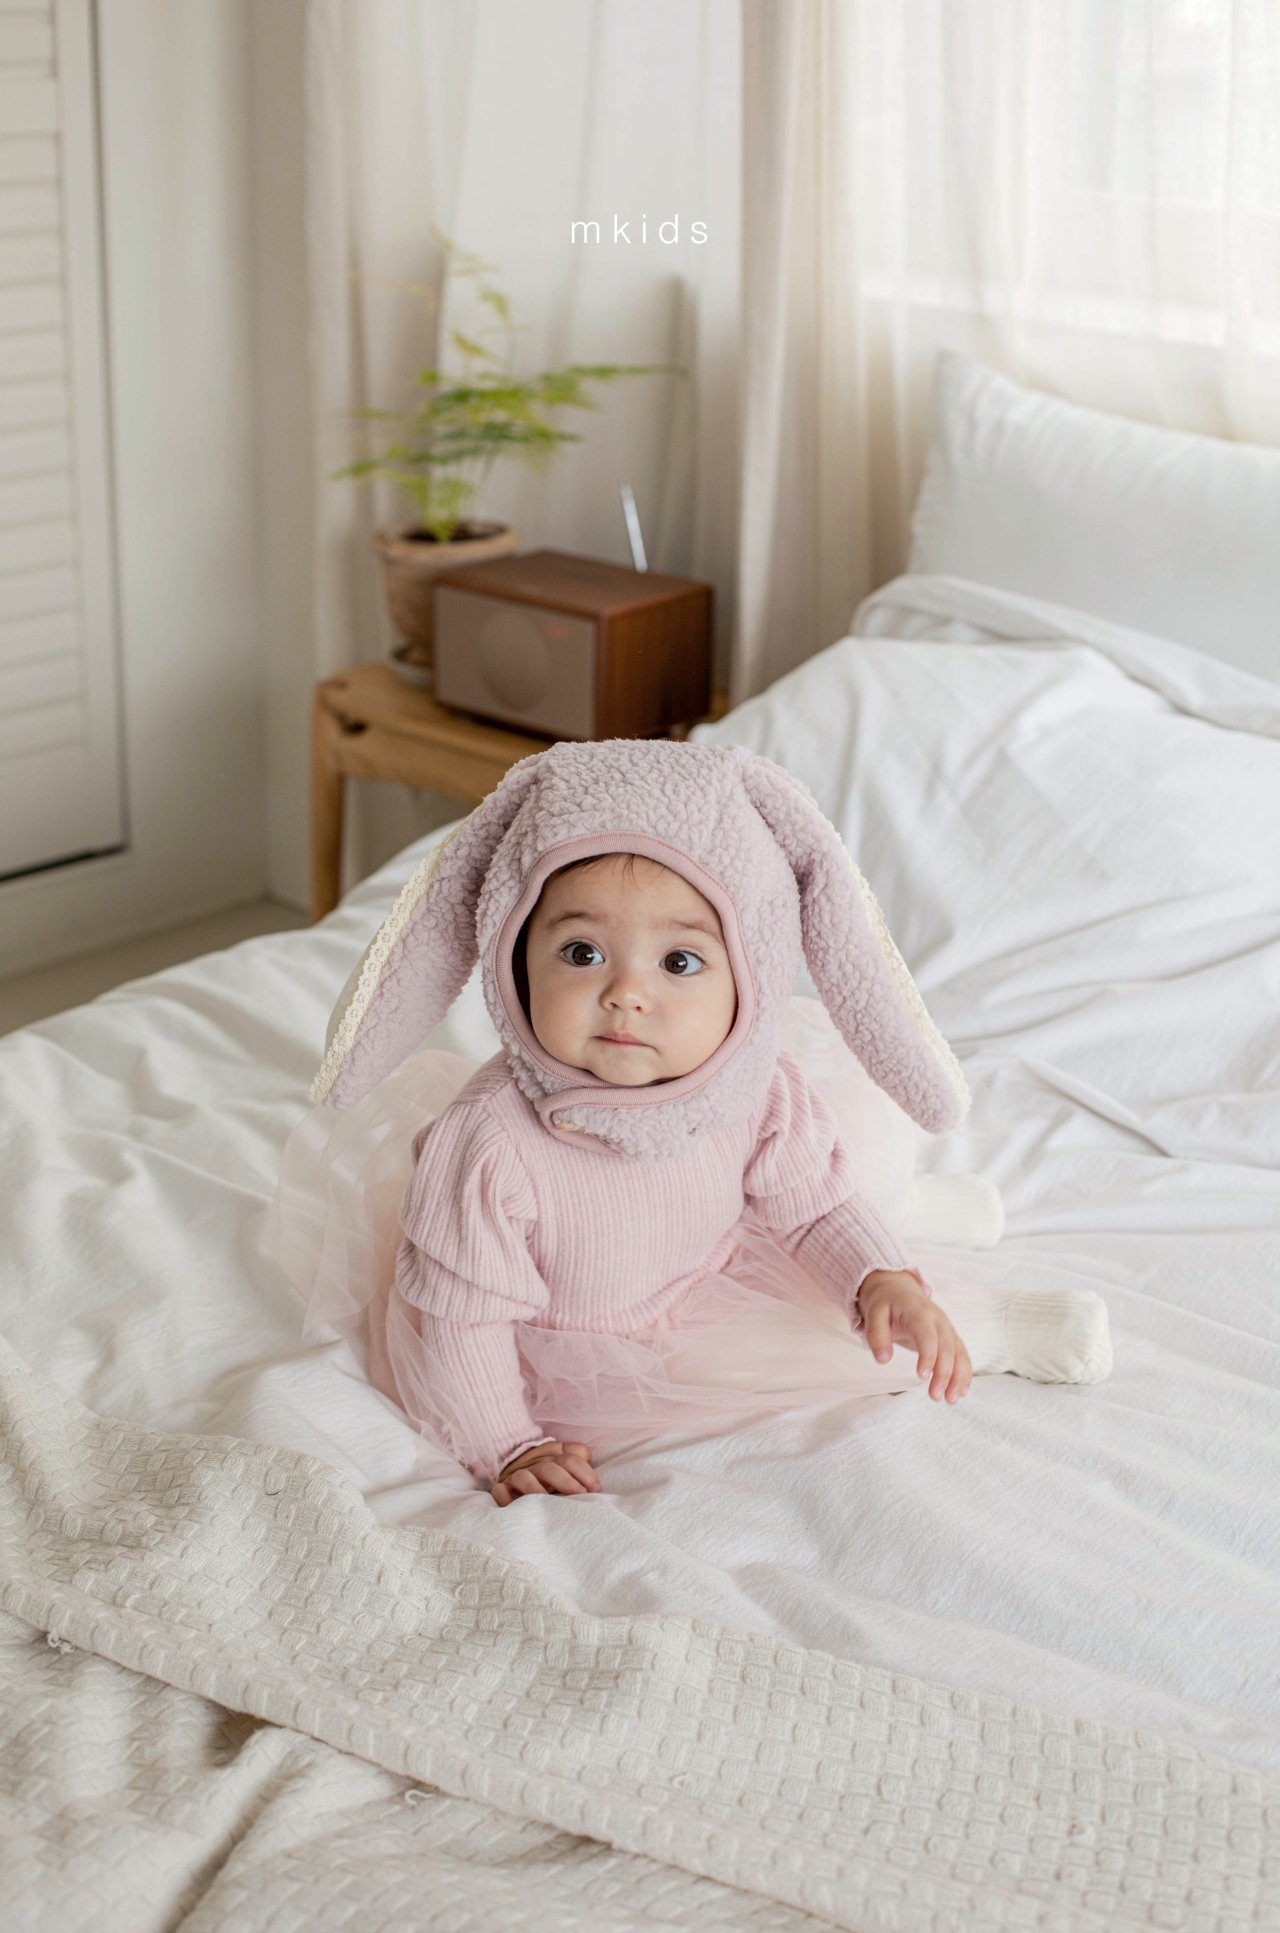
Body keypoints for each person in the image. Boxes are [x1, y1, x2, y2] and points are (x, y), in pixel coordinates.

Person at [264, 739, 1111, 1506]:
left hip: (716, 1246)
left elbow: (814, 1204)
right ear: (512, 957)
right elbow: (465, 1327)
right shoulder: (491, 1147)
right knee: (811, 1353)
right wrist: (508, 1443)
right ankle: (997, 1323)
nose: (627, 993)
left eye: (680, 960)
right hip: (590, 1337)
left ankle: (912, 1231)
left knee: (851, 1216)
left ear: (750, 973)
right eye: (582, 952)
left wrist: (878, 1276)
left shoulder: (751, 1087)